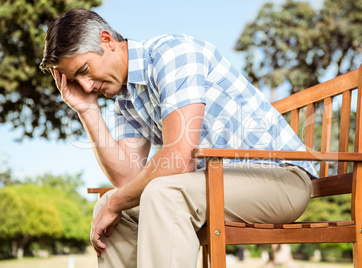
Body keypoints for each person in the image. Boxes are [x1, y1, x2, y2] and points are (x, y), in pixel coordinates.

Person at [40, 8, 317, 268]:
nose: (86, 86)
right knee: (116, 205)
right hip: (217, 184)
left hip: (281, 179)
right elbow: (127, 182)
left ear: (107, 40)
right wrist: (87, 111)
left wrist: (115, 202)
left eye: (84, 70)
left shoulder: (172, 54)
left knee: (163, 194)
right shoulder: (125, 100)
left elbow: (177, 161)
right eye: (76, 80)